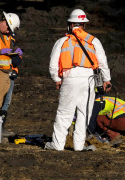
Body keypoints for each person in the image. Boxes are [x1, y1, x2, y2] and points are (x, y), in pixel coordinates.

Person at [45, 9, 112, 151]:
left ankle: (57, 145)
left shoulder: (62, 41)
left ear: (70, 25)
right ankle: (79, 146)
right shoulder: (94, 41)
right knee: (84, 113)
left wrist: (56, 79)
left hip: (70, 77)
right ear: (84, 25)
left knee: (64, 114)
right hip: (89, 79)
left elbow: (53, 64)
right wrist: (107, 79)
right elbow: (102, 62)